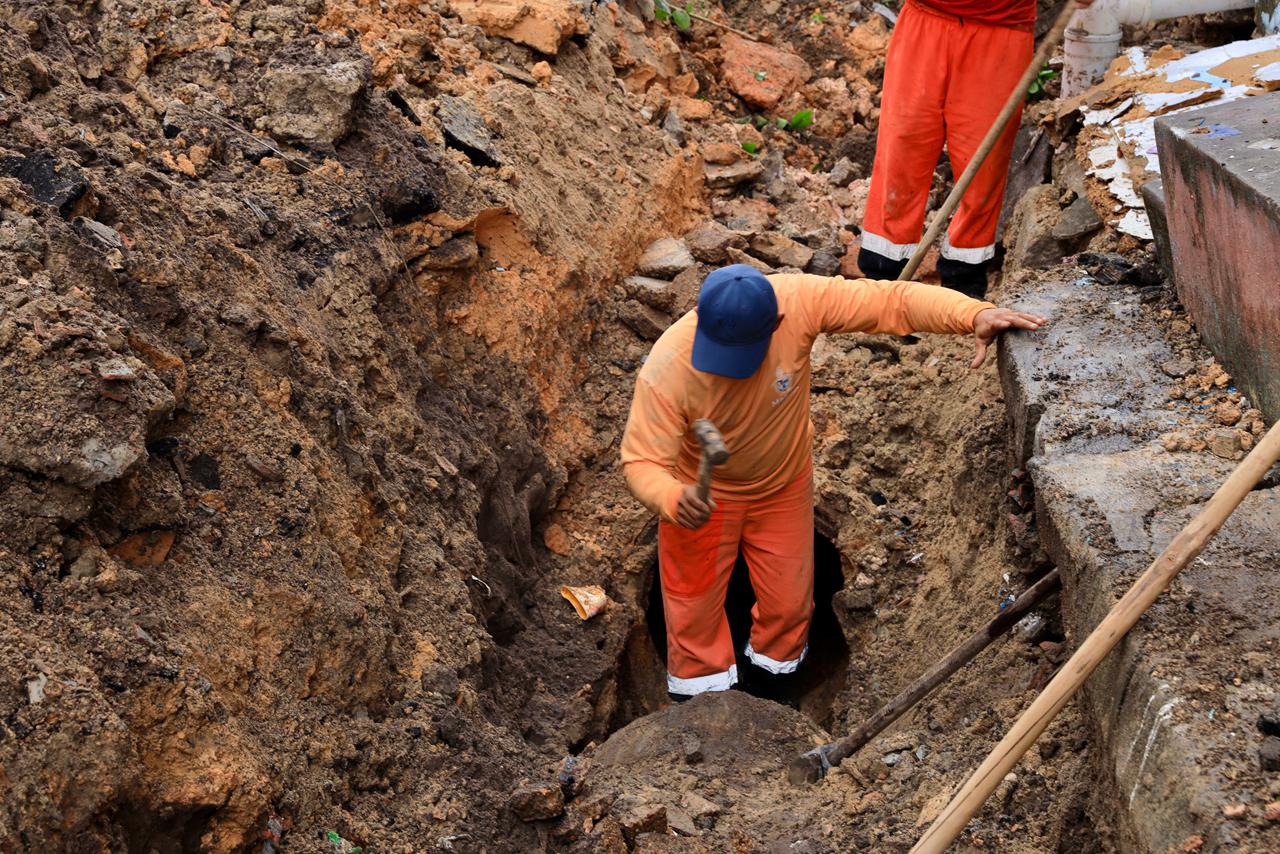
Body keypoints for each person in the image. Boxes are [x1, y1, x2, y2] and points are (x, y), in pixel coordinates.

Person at [620, 265, 1044, 703]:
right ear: (699, 315)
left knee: (788, 606)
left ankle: (770, 692)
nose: (730, 373)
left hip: (780, 487)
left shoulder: (799, 301)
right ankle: (700, 708)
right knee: (693, 610)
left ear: (778, 323)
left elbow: (890, 301)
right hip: (700, 498)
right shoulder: (668, 367)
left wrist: (971, 314)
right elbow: (641, 462)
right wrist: (670, 496)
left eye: (742, 355)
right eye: (721, 356)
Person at [859, 0, 1092, 298]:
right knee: (901, 150)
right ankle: (881, 281)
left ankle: (963, 289)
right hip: (925, 18)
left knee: (983, 167)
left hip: (1000, 30)